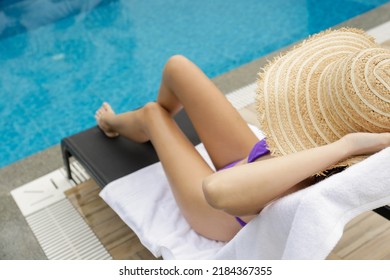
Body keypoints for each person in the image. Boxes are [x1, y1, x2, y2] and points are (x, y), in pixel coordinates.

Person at [95, 55, 390, 242]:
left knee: (152, 113)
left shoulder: (335, 158)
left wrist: (348, 145)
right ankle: (157, 131)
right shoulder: (327, 131)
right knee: (178, 67)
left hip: (221, 214)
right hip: (251, 160)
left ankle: (122, 125)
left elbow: (217, 190)